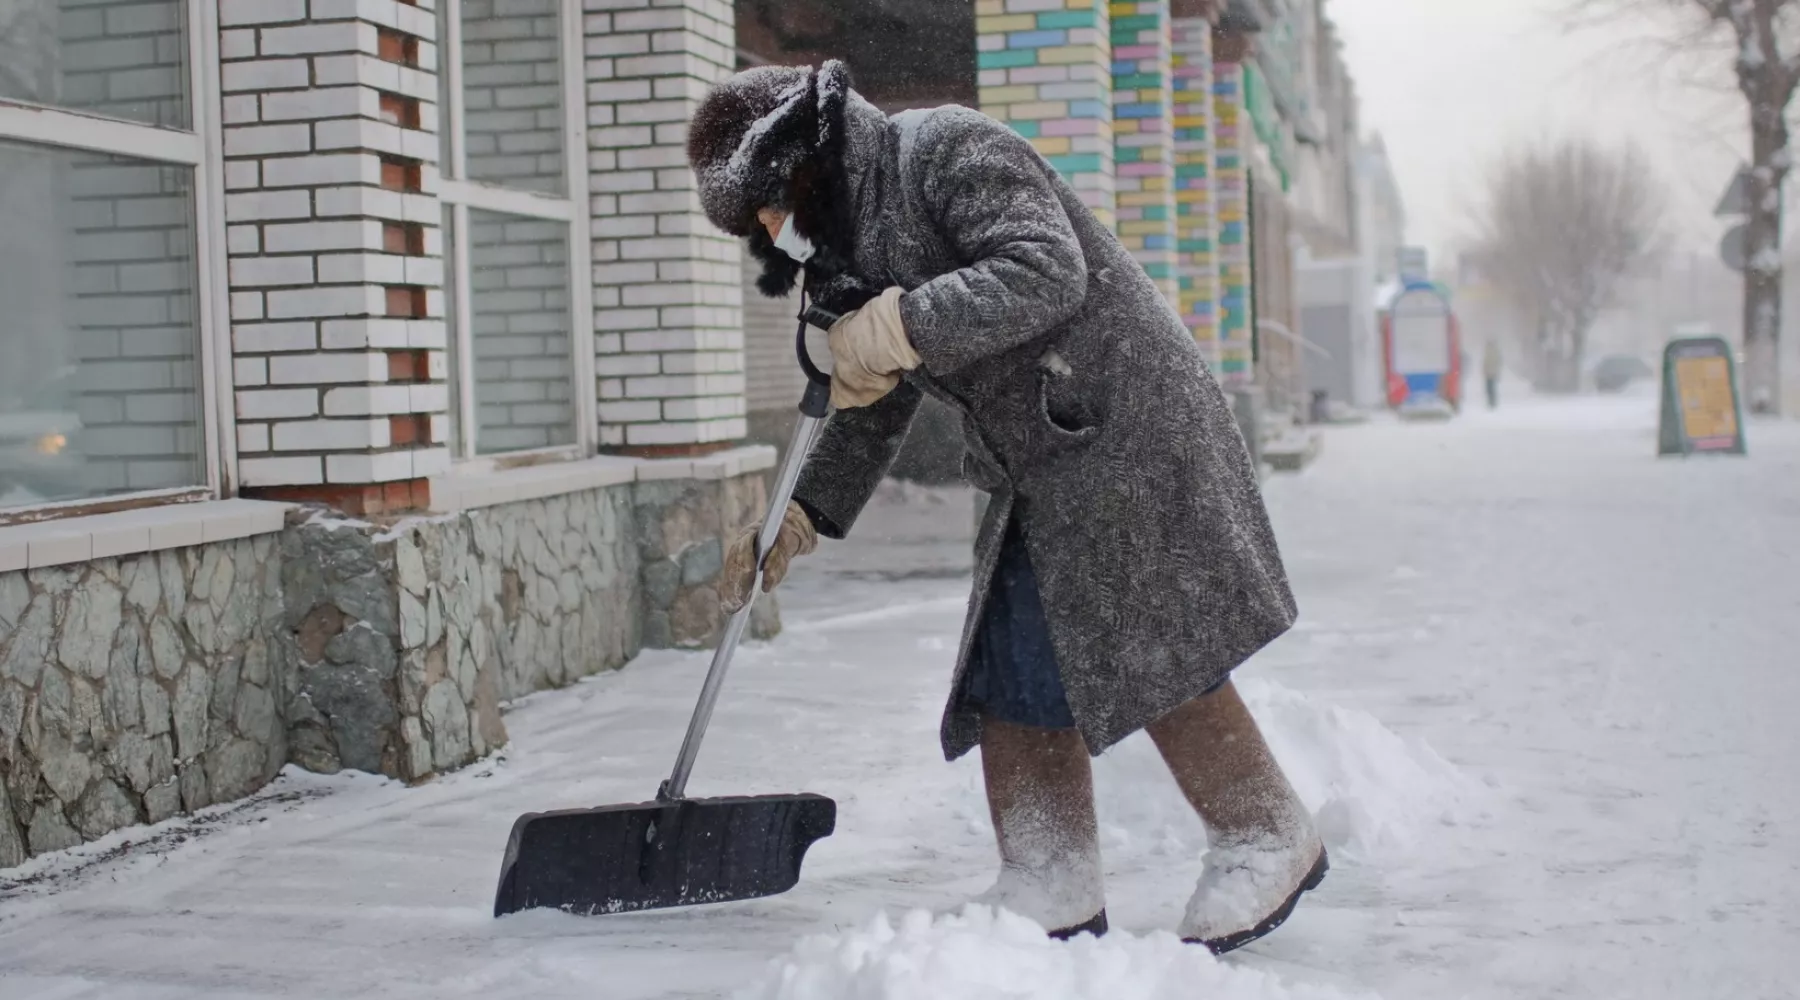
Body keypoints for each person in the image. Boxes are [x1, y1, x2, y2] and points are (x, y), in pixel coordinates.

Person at [689, 61, 1324, 954]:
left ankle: (1266, 831)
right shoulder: (846, 249)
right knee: (1013, 655)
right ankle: (1048, 871)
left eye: (768, 203)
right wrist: (800, 514)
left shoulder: (946, 151)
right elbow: (870, 398)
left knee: (1150, 631)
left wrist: (904, 320)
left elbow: (1044, 269)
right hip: (1040, 461)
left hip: (1120, 420)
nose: (769, 228)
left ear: (805, 161)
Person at [1483, 339, 1503, 409]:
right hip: (1491, 372)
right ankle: (1492, 401)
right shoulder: (1491, 352)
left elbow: (1486, 363)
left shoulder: (1489, 352)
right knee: (1491, 388)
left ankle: (1491, 401)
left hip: (1490, 373)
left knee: (1490, 388)